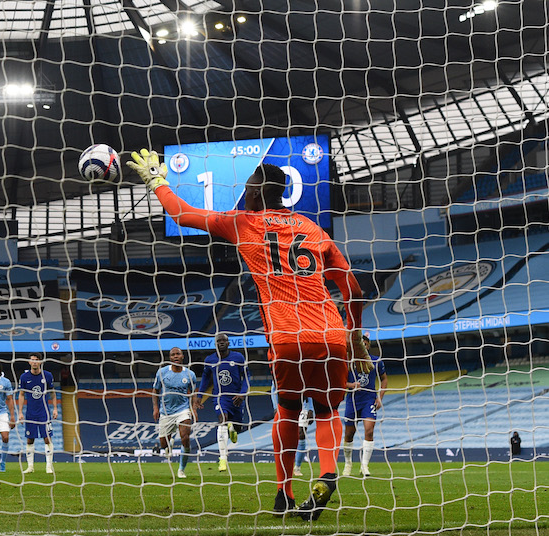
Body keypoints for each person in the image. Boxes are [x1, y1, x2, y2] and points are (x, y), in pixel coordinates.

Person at [128, 151, 370, 521]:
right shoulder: (313, 229)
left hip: (288, 336)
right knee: (326, 411)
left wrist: (157, 181)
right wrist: (354, 338)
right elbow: (353, 289)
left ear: (256, 195)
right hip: (332, 333)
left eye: (246, 189)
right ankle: (326, 473)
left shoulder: (244, 223)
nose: (244, 195)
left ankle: (283, 494)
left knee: (288, 410)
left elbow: (182, 215)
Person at [197, 333, 250, 472]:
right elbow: (205, 378)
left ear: (228, 343)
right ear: (215, 344)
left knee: (238, 428)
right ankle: (222, 459)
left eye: (223, 341)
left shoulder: (238, 357)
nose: (221, 343)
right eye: (218, 341)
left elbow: (247, 377)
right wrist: (199, 395)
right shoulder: (210, 360)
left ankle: (233, 429)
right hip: (220, 397)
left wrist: (242, 394)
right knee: (222, 419)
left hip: (236, 398)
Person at [342, 333, 387, 477]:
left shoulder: (376, 361)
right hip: (352, 401)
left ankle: (364, 466)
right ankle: (348, 463)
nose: (363, 346)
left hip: (369, 400)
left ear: (368, 346)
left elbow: (384, 379)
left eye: (365, 344)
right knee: (349, 434)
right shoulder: (348, 362)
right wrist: (351, 385)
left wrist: (380, 397)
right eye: (360, 344)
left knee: (369, 431)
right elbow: (340, 382)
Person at [152, 347, 198, 479]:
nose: (176, 356)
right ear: (170, 358)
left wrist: (193, 409)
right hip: (166, 412)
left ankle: (181, 470)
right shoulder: (162, 372)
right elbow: (155, 391)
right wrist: (155, 408)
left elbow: (194, 393)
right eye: (173, 355)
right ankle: (170, 442)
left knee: (185, 437)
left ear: (183, 356)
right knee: (163, 444)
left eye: (178, 354)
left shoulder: (190, 374)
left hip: (183, 410)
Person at [17, 352, 59, 474]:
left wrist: (55, 408)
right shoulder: (24, 377)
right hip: (30, 413)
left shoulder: (48, 376)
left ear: (40, 362)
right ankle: (30, 467)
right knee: (30, 439)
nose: (34, 362)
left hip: (44, 413)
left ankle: (49, 467)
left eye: (37, 360)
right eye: (32, 360)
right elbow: (21, 394)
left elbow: (52, 392)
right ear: (29, 362)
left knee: (47, 438)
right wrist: (20, 412)